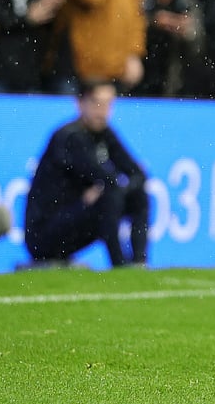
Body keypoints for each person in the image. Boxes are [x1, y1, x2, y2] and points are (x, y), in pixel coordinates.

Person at [23, 80, 150, 268]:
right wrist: (107, 191)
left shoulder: (105, 134)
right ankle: (119, 264)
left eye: (108, 104)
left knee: (139, 196)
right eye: (97, 103)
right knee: (110, 199)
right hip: (44, 234)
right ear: (80, 103)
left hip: (75, 223)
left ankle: (139, 262)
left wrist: (120, 189)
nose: (103, 110)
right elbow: (102, 177)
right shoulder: (69, 136)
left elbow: (138, 174)